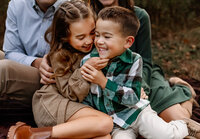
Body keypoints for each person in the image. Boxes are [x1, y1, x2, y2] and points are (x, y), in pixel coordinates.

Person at [80, 6, 200, 139]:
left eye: (107, 37)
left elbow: (132, 98)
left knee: (165, 135)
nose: (99, 41)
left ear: (128, 42)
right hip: (116, 123)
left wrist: (103, 82)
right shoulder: (88, 61)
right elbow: (86, 98)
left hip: (137, 114)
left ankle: (183, 126)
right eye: (97, 35)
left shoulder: (134, 61)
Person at [7, 1, 113, 139]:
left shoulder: (98, 47)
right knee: (105, 123)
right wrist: (86, 69)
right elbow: (71, 94)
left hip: (76, 106)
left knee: (104, 137)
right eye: (80, 37)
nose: (88, 40)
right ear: (65, 37)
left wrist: (128, 84)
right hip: (52, 102)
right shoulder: (60, 56)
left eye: (92, 33)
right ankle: (29, 135)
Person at [0, 0, 65, 108]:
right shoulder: (17, 4)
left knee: (3, 70)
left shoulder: (71, 9)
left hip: (51, 79)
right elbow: (11, 52)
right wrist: (35, 62)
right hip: (28, 67)